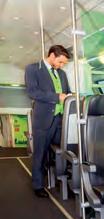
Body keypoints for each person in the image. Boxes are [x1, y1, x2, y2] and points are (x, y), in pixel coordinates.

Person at [25, 45, 71, 198]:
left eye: (63, 63)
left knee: (63, 151)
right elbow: (32, 92)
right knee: (40, 153)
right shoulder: (33, 69)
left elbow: (67, 91)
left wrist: (71, 95)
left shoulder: (62, 74)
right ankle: (37, 185)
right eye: (60, 62)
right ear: (52, 55)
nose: (61, 65)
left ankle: (61, 178)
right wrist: (57, 97)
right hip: (43, 119)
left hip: (60, 120)